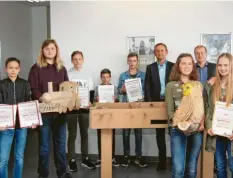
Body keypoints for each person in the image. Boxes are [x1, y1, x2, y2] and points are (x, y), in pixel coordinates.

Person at [28, 39, 72, 178]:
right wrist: (41, 97)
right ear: (42, 51)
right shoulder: (36, 68)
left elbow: (67, 88)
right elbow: (33, 88)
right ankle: (43, 174)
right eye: (47, 49)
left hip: (60, 113)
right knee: (44, 148)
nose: (50, 51)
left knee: (60, 146)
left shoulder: (62, 68)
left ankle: (63, 173)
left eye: (52, 48)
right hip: (44, 114)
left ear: (56, 50)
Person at [165, 53, 204, 178]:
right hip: (177, 129)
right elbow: (170, 111)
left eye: (189, 63)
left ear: (193, 66)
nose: (187, 66)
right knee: (178, 169)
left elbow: (202, 108)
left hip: (196, 129)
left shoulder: (198, 85)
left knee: (192, 168)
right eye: (183, 63)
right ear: (178, 66)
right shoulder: (170, 86)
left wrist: (199, 124)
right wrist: (181, 123)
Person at [0, 57, 36, 178]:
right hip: (6, 126)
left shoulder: (25, 83)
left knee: (19, 157)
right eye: (10, 68)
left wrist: (32, 121)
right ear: (6, 69)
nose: (13, 70)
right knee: (3, 160)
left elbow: (29, 103)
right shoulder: (1, 84)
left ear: (19, 69)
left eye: (16, 68)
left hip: (22, 125)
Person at [144, 43, 174, 171]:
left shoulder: (173, 66)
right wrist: (150, 103)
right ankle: (162, 162)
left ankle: (175, 161)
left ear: (166, 52)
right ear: (155, 53)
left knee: (174, 133)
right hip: (156, 105)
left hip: (171, 104)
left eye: (162, 50)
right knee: (159, 134)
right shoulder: (150, 68)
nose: (160, 53)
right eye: (157, 51)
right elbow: (147, 86)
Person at [204, 53, 233, 178]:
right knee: (220, 165)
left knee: (232, 165)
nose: (223, 68)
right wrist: (209, 126)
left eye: (226, 65)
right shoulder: (212, 84)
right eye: (220, 65)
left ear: (231, 65)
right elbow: (207, 108)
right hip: (217, 132)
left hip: (231, 133)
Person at [67, 50, 95, 172]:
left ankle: (85, 159)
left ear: (83, 60)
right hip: (71, 109)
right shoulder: (67, 74)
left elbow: (91, 92)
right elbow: (65, 92)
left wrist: (90, 102)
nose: (77, 61)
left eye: (80, 59)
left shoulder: (87, 75)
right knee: (72, 135)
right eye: (75, 59)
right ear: (72, 61)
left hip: (84, 109)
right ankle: (71, 160)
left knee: (84, 134)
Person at [118, 52, 147, 168]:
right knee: (125, 133)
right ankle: (126, 157)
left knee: (138, 133)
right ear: (127, 62)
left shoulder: (143, 75)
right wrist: (123, 90)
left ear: (137, 61)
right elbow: (119, 91)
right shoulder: (123, 75)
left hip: (139, 107)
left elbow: (146, 90)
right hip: (126, 107)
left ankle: (138, 157)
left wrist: (142, 95)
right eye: (130, 61)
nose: (132, 63)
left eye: (134, 61)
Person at [94, 68, 120, 167]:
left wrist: (115, 99)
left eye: (107, 77)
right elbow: (93, 102)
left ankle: (112, 157)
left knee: (112, 135)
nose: (105, 79)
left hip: (111, 115)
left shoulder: (114, 88)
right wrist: (96, 100)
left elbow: (117, 102)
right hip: (100, 115)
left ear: (110, 77)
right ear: (101, 78)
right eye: (103, 77)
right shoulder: (97, 88)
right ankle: (100, 158)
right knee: (100, 136)